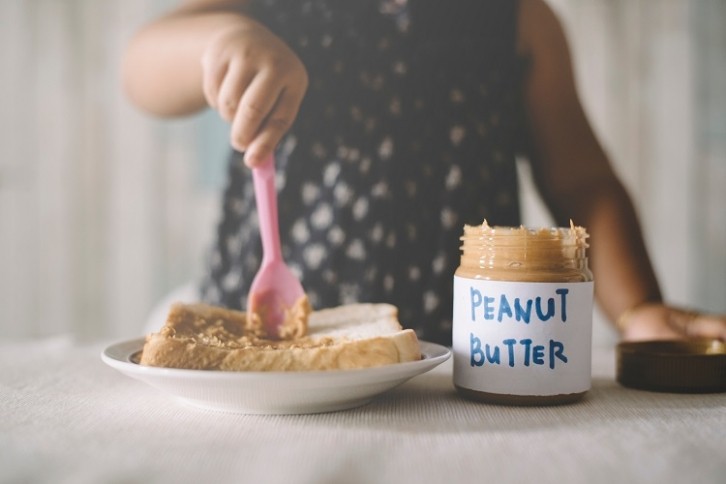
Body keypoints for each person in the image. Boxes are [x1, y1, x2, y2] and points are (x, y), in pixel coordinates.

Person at [123, 0, 726, 346]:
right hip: (262, 341)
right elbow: (141, 69)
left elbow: (582, 182)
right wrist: (218, 43)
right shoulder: (265, 5)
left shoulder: (519, 20)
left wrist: (639, 307)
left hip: (452, 356)